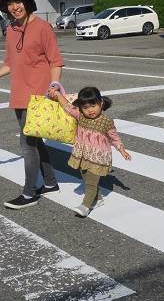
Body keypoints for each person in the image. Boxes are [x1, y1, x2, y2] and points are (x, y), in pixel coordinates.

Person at [0, 0, 64, 209]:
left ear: (27, 3)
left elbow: (56, 61)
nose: (15, 7)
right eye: (11, 3)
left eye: (19, 2)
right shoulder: (11, 30)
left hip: (38, 95)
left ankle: (29, 193)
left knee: (27, 144)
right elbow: (10, 63)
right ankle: (51, 182)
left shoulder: (43, 27)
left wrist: (54, 85)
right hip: (19, 94)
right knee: (34, 141)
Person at [48, 85, 132, 218]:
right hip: (83, 154)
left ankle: (85, 206)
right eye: (85, 107)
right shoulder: (80, 115)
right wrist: (58, 95)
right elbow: (67, 107)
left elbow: (114, 137)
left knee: (91, 183)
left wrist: (122, 150)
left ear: (101, 103)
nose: (90, 110)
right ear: (81, 108)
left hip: (98, 157)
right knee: (87, 179)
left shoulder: (106, 122)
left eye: (93, 106)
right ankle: (98, 199)